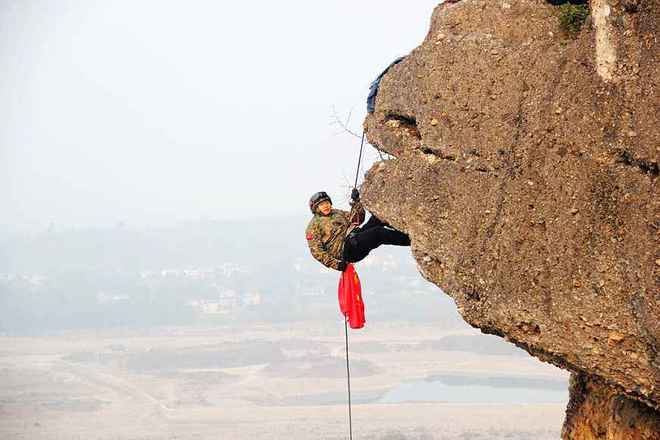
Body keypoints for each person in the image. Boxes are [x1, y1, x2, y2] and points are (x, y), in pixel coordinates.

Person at [305, 189, 411, 272]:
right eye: (321, 205)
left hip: (355, 237)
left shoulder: (336, 213)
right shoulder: (313, 226)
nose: (326, 206)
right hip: (347, 250)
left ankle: (408, 229)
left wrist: (357, 202)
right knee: (378, 233)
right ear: (316, 208)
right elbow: (317, 252)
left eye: (327, 203)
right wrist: (336, 265)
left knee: (377, 218)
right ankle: (411, 240)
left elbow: (357, 219)